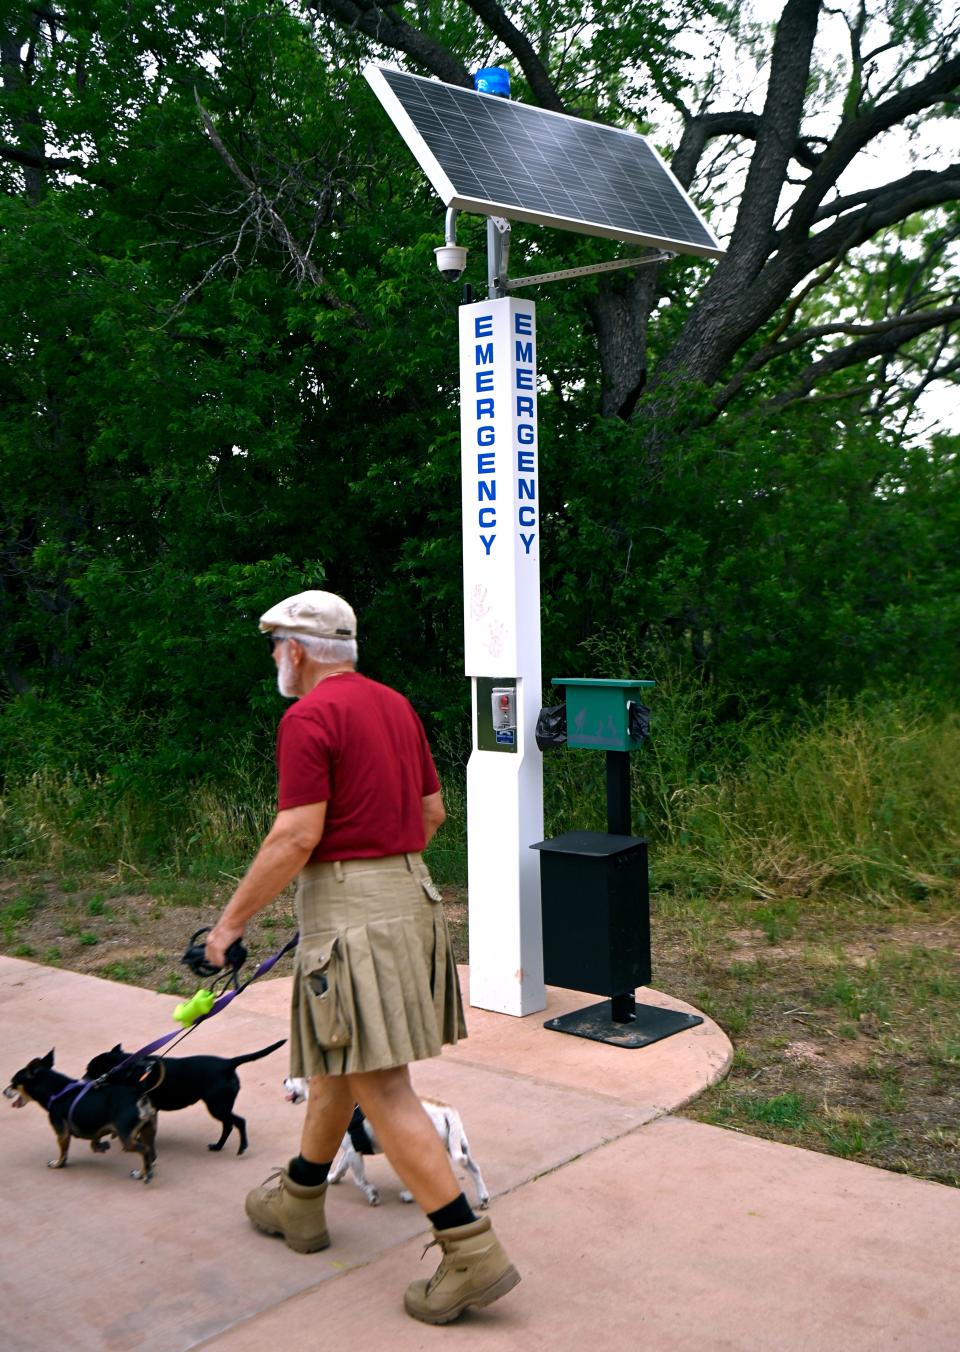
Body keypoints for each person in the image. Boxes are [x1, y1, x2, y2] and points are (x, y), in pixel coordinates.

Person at [204, 589, 520, 1324]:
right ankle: (302, 1200)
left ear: (298, 651)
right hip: (410, 894)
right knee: (335, 1064)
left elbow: (295, 836)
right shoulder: (395, 706)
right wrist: (380, 869)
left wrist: (227, 928)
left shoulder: (308, 716)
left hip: (354, 917)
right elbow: (433, 812)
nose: (276, 658)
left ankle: (470, 1252)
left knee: (381, 1084)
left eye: (276, 646)